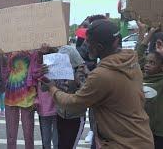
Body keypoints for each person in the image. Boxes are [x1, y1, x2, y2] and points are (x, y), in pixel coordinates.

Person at [41, 19, 154, 148]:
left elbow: (72, 103)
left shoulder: (101, 75)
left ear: (99, 47)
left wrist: (52, 88)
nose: (85, 45)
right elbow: (111, 89)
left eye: (88, 42)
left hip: (122, 144)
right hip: (141, 138)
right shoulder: (131, 62)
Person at [35, 45, 59, 149]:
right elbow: (33, 84)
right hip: (43, 108)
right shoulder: (37, 67)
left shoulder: (58, 66)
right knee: (46, 140)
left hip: (56, 106)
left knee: (56, 139)